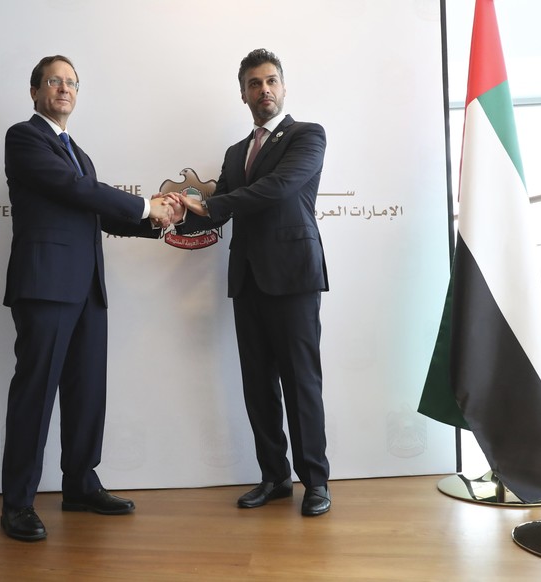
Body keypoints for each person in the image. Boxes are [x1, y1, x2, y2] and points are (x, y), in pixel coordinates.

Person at [1, 54, 178, 541]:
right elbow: (77, 191)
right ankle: (17, 504)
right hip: (44, 287)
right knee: (35, 396)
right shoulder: (25, 137)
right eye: (54, 81)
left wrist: (156, 221)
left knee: (86, 394)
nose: (64, 89)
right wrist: (145, 203)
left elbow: (94, 211)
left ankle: (79, 485)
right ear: (35, 91)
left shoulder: (79, 151)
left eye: (72, 83)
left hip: (87, 290)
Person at [178, 48, 331, 516]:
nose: (263, 90)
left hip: (293, 276)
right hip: (246, 278)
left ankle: (316, 483)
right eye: (253, 83)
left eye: (270, 81)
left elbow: (278, 188)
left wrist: (212, 205)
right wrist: (170, 215)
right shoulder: (234, 152)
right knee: (257, 385)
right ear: (243, 93)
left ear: (282, 88)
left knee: (300, 382)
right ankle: (274, 477)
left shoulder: (307, 136)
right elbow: (218, 206)